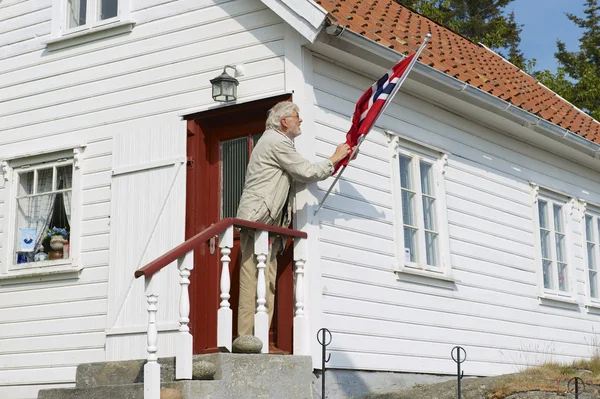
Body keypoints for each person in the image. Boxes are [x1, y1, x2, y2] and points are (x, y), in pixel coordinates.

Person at [236, 101, 351, 352]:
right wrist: (335, 158)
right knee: (253, 278)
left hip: (266, 222)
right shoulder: (275, 142)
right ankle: (247, 341)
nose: (301, 121)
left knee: (265, 281)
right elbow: (306, 171)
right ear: (283, 121)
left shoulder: (276, 142)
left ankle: (257, 340)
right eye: (297, 117)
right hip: (258, 219)